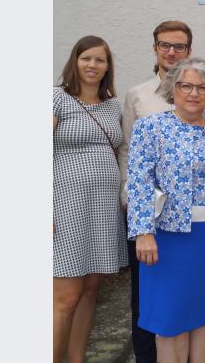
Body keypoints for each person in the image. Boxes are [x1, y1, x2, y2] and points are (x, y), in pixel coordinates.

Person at [119, 20, 205, 363]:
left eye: (201, 87)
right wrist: (143, 231)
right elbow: (139, 178)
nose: (193, 93)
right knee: (170, 320)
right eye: (186, 86)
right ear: (172, 89)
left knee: (204, 317)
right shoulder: (150, 126)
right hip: (166, 236)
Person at [53, 36, 128, 363]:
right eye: (87, 58)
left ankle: (77, 358)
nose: (92, 65)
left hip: (103, 207)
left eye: (100, 60)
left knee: (90, 292)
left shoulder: (113, 105)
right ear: (75, 61)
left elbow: (118, 152)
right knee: (65, 297)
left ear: (108, 67)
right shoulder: (56, 99)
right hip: (65, 204)